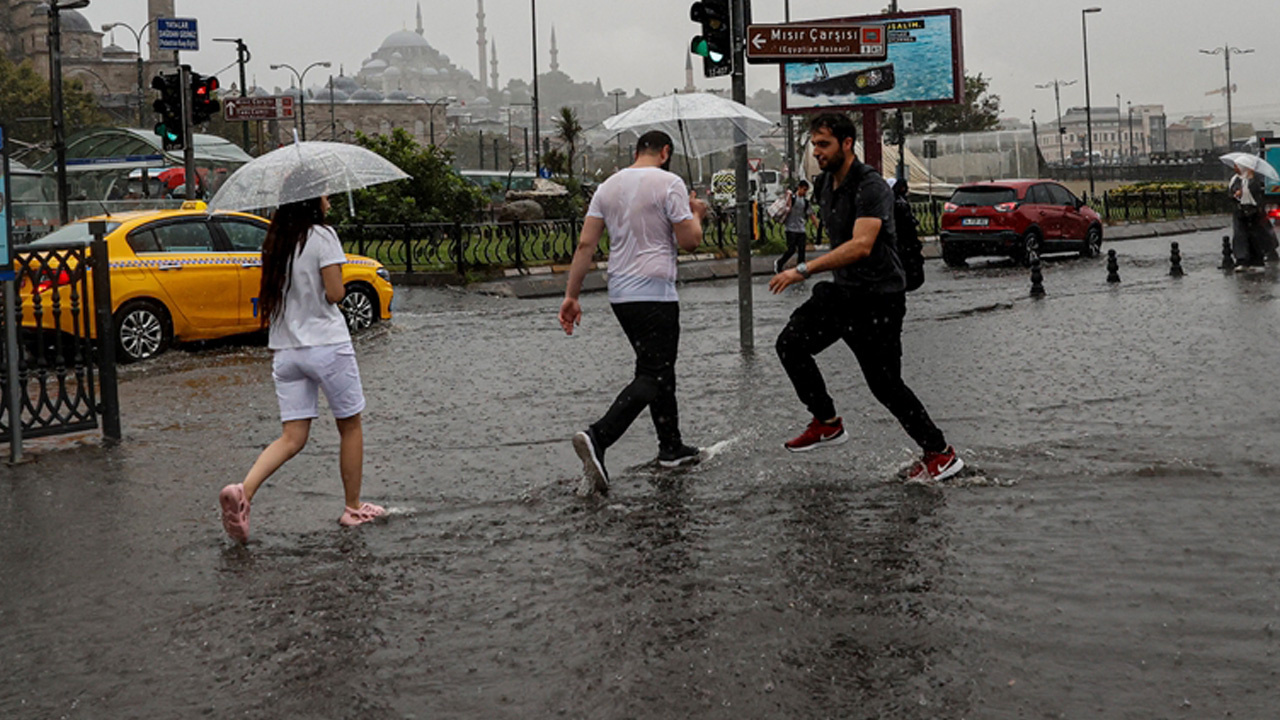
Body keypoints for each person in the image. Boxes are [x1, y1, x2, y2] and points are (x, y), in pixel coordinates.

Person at [768, 112, 963, 483]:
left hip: (879, 298)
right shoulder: (824, 184)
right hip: (844, 294)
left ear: (847, 143)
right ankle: (826, 421)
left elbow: (860, 246)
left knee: (885, 385)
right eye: (814, 145)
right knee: (790, 344)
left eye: (823, 144)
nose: (817, 152)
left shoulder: (870, 185)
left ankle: (940, 453)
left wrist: (802, 270)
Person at [218, 186, 384, 543]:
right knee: (350, 426)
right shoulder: (323, 235)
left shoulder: (276, 241)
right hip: (326, 344)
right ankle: (353, 508)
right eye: (324, 195)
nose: (329, 201)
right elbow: (336, 293)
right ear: (309, 200)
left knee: (292, 437)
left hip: (286, 350)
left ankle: (243, 491)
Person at [559, 130, 708, 496]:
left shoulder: (608, 186)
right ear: (666, 151)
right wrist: (696, 213)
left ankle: (671, 447)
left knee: (659, 367)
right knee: (654, 372)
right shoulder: (670, 182)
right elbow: (690, 242)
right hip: (656, 292)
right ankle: (599, 436)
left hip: (622, 294)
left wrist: (571, 296)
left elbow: (586, 244)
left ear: (638, 150)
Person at [1230, 164, 1278, 270]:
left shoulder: (1255, 180)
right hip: (1240, 211)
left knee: (1256, 235)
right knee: (1241, 236)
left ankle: (1257, 260)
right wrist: (1236, 193)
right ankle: (1242, 260)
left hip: (1254, 211)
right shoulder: (1235, 179)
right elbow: (1231, 192)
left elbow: (1258, 193)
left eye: (1237, 166)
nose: (1235, 169)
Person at [774, 180, 815, 274]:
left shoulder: (805, 202)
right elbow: (784, 206)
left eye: (806, 190)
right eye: (804, 189)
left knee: (802, 250)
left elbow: (811, 214)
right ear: (799, 188)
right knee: (791, 249)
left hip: (801, 229)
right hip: (790, 228)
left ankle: (800, 268)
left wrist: (818, 227)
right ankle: (779, 263)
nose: (804, 192)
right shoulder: (792, 198)